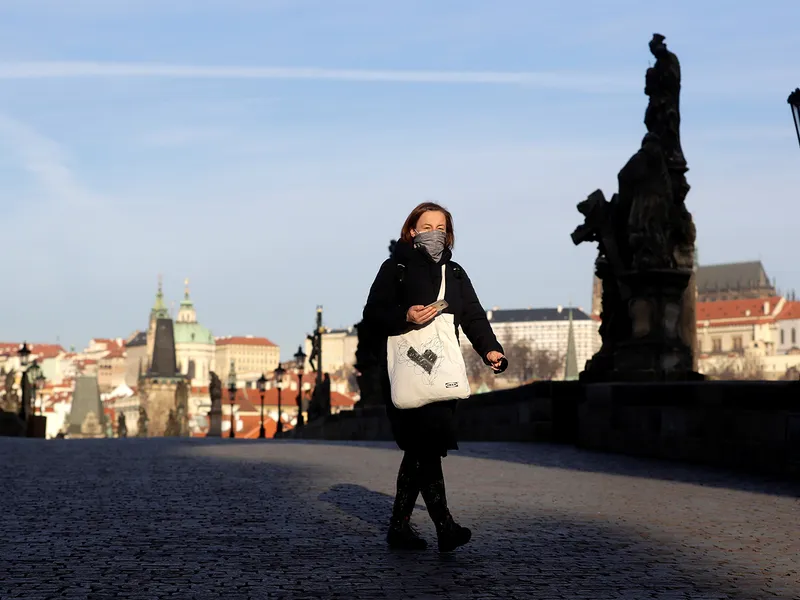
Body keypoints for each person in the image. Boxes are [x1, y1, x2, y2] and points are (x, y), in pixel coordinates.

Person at [362, 201, 506, 552]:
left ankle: (402, 527)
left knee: (423, 448)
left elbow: (472, 316)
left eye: (440, 227)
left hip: (441, 371)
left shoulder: (455, 274)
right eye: (426, 227)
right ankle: (443, 526)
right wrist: (406, 316)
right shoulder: (394, 268)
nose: (434, 233)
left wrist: (490, 349)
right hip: (404, 370)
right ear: (412, 231)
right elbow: (373, 315)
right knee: (422, 446)